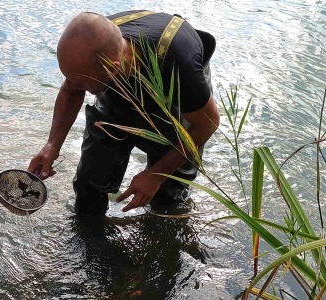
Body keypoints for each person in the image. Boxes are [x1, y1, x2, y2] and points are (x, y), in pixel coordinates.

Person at [28, 11, 219, 215]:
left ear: (112, 68)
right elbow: (70, 89)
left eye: (80, 80)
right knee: (89, 184)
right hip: (117, 84)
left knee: (168, 196)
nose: (72, 85)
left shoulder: (180, 64)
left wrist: (155, 175)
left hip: (171, 93)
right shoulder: (93, 44)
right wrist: (52, 145)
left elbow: (208, 123)